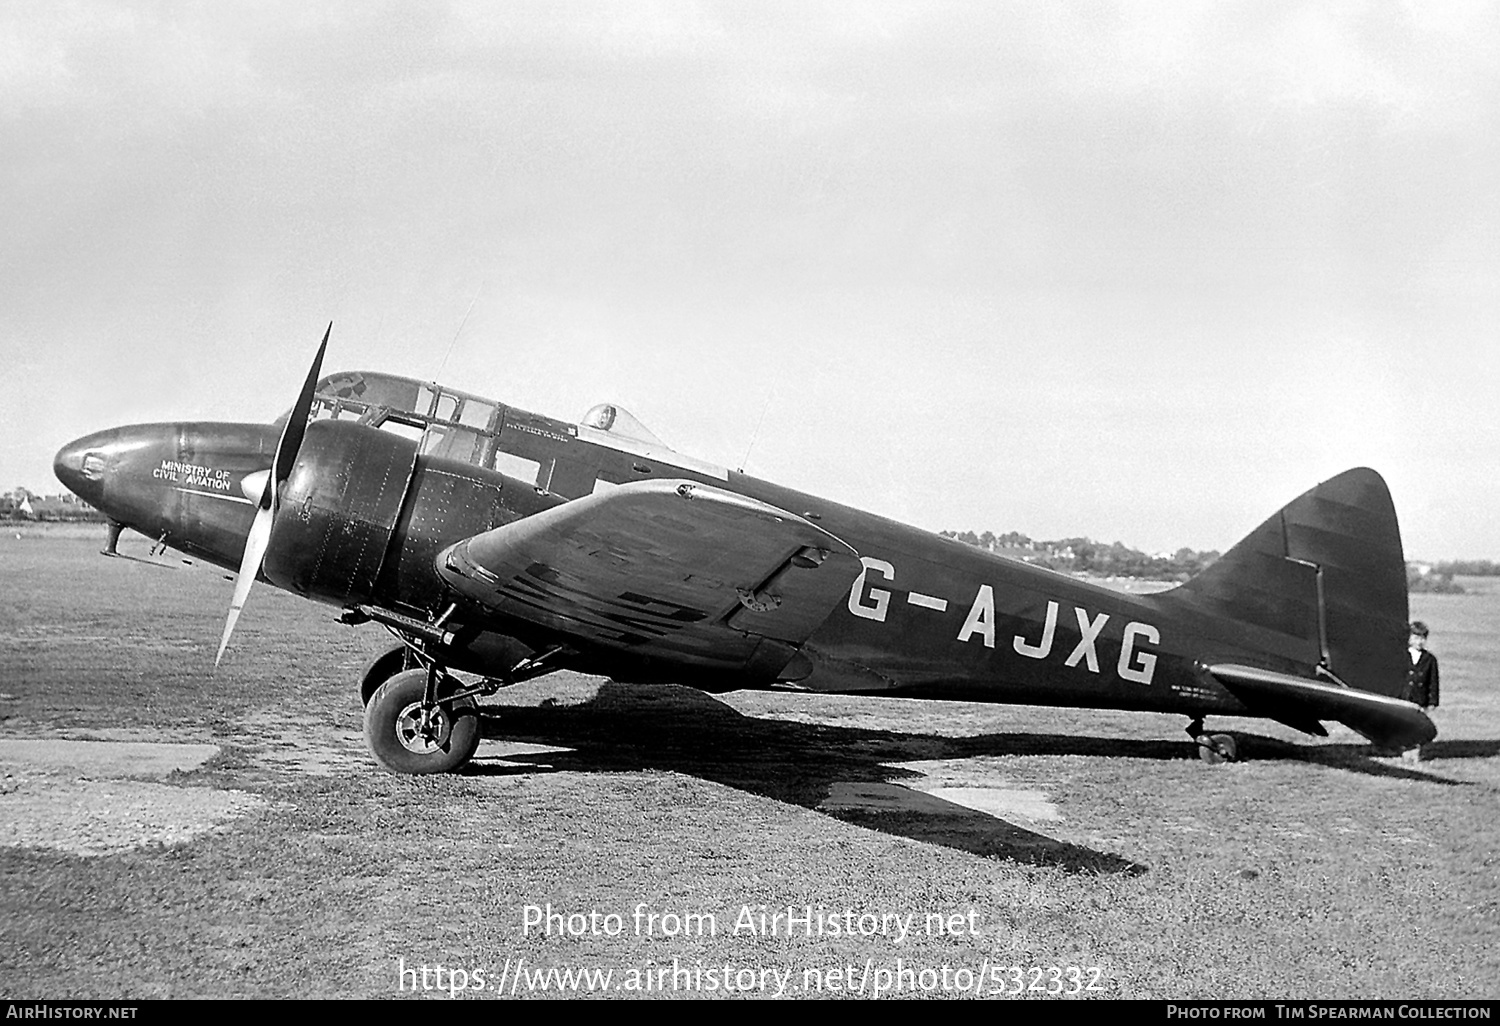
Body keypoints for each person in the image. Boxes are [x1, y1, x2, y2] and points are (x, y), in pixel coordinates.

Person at [1402, 621, 1439, 762]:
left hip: (1420, 698)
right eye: (1416, 638)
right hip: (1404, 697)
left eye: (1423, 638)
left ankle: (1415, 753)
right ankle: (1406, 752)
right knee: (1404, 725)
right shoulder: (1402, 656)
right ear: (1409, 638)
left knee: (1416, 726)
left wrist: (1433, 701)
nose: (1420, 641)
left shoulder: (1430, 659)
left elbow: (1433, 682)